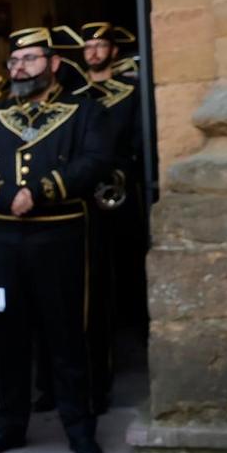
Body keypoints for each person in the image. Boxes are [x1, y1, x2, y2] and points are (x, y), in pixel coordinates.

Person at [0, 27, 111, 453]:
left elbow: (96, 160)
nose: (20, 68)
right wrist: (2, 193)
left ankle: (80, 430)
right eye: (14, 61)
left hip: (60, 236)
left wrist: (42, 190)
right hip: (4, 239)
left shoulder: (84, 112)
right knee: (7, 339)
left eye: (30, 59)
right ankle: (8, 426)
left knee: (66, 336)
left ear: (54, 64)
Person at [70, 21, 144, 415]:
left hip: (119, 192)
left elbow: (138, 142)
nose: (94, 51)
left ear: (114, 51)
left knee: (127, 269)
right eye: (88, 46)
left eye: (101, 45)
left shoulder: (131, 92)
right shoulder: (74, 96)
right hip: (84, 196)